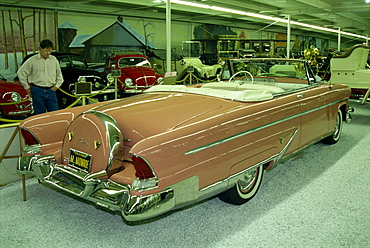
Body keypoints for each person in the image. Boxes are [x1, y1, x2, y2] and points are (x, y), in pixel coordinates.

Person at [18, 39, 64, 115]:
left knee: (55, 113)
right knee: (39, 114)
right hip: (37, 90)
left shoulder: (54, 60)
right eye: (46, 51)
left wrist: (57, 86)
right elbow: (21, 73)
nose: (48, 53)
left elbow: (59, 75)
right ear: (40, 49)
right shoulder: (32, 60)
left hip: (51, 90)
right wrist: (26, 87)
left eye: (50, 51)